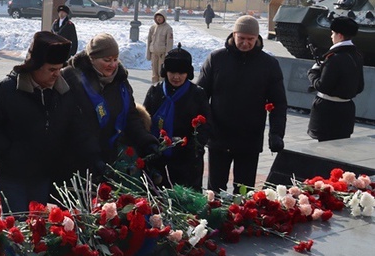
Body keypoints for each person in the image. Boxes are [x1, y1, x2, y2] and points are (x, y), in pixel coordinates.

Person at [0, 31, 86, 213]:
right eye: (51, 69)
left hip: (42, 172)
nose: (57, 74)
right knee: (18, 224)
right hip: (12, 173)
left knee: (37, 225)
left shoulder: (63, 93)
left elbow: (75, 127)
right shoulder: (4, 90)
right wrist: (9, 151)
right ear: (35, 66)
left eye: (59, 68)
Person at [197, 15, 287, 193]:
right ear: (233, 35)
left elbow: (278, 102)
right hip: (219, 136)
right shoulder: (216, 59)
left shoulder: (268, 64)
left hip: (249, 138)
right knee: (215, 192)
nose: (245, 43)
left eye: (250, 39)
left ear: (257, 38)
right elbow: (200, 96)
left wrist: (276, 134)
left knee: (244, 192)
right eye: (241, 38)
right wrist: (201, 129)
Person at [62, 33, 159, 175]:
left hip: (111, 159)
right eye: (107, 60)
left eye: (115, 59)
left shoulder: (121, 82)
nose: (113, 65)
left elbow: (131, 117)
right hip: (78, 162)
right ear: (92, 59)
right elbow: (76, 125)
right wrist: (93, 157)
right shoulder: (73, 79)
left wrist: (146, 142)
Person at [142, 45, 211, 190]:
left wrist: (194, 148)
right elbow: (144, 122)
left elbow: (205, 126)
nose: (176, 77)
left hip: (186, 161)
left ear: (188, 73)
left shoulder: (197, 94)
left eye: (181, 72)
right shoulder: (155, 91)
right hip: (158, 158)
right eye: (172, 72)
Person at [307, 16, 365, 141]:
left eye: (332, 33)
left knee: (322, 151)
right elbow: (360, 87)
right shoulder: (357, 56)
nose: (331, 36)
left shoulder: (334, 58)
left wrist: (313, 73)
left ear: (339, 35)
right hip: (346, 111)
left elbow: (323, 86)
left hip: (327, 112)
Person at [146, 10, 174, 85]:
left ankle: (161, 88)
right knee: (154, 73)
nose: (158, 19)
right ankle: (154, 87)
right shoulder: (153, 27)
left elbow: (169, 43)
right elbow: (149, 41)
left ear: (164, 18)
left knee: (161, 72)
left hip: (162, 55)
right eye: (157, 17)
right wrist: (148, 54)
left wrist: (167, 56)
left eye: (160, 17)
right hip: (154, 54)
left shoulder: (168, 28)